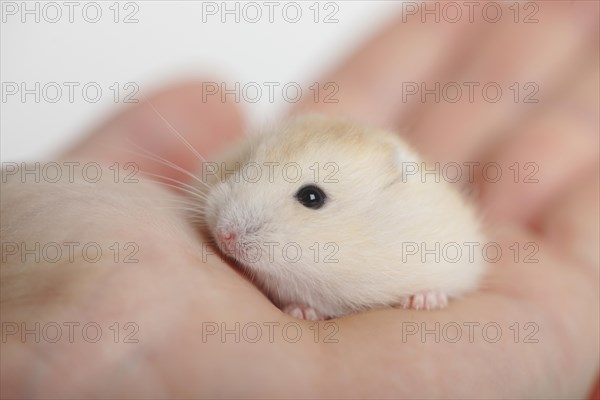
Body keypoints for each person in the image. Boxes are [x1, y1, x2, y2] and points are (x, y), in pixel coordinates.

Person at [1, 1, 598, 397]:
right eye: (249, 168)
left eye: (310, 197)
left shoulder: (426, 232)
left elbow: (464, 262)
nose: (231, 225)